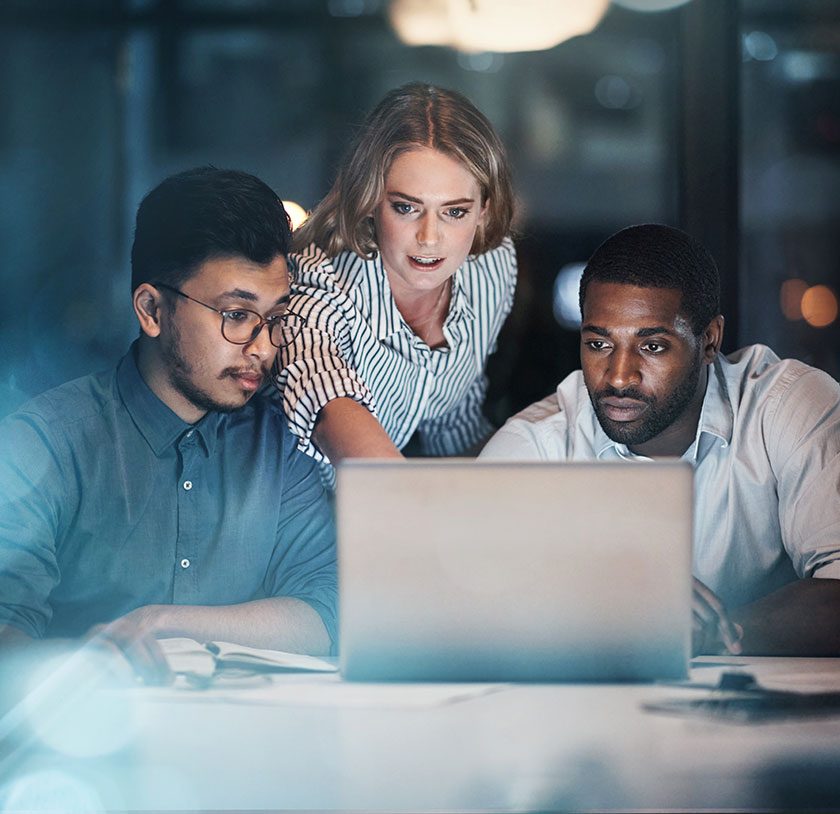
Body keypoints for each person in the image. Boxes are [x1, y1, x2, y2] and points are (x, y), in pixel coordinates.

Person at [0, 167, 337, 684]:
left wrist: (165, 625)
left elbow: (329, 610)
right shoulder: (44, 445)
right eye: (236, 314)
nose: (264, 347)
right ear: (152, 310)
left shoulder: (282, 442)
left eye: (274, 317)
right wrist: (83, 664)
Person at [481, 223, 840, 656]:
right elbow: (467, 607)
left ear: (709, 341)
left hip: (776, 718)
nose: (618, 376)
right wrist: (607, 609)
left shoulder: (787, 408)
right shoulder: (535, 446)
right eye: (599, 344)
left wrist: (701, 635)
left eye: (651, 347)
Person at [273, 82, 517, 484]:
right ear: (371, 201)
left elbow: (453, 422)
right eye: (406, 208)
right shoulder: (320, 284)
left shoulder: (491, 267)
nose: (429, 237)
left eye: (454, 212)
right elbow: (324, 397)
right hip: (290, 518)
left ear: (484, 211)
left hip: (388, 510)